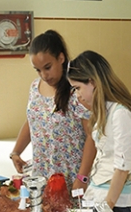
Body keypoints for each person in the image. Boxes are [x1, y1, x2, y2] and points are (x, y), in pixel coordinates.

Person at [67, 50, 131, 212]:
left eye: (78, 88)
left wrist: (104, 210)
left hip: (117, 202)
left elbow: (122, 169)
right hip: (99, 195)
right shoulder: (105, 110)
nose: (77, 95)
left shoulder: (122, 114)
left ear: (93, 82)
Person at [9, 30, 95, 192]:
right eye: (38, 70)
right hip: (43, 176)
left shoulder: (76, 91)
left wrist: (82, 177)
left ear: (61, 58)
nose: (44, 75)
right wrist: (16, 152)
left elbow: (92, 136)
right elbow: (32, 121)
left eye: (47, 67)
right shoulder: (35, 87)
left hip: (71, 178)